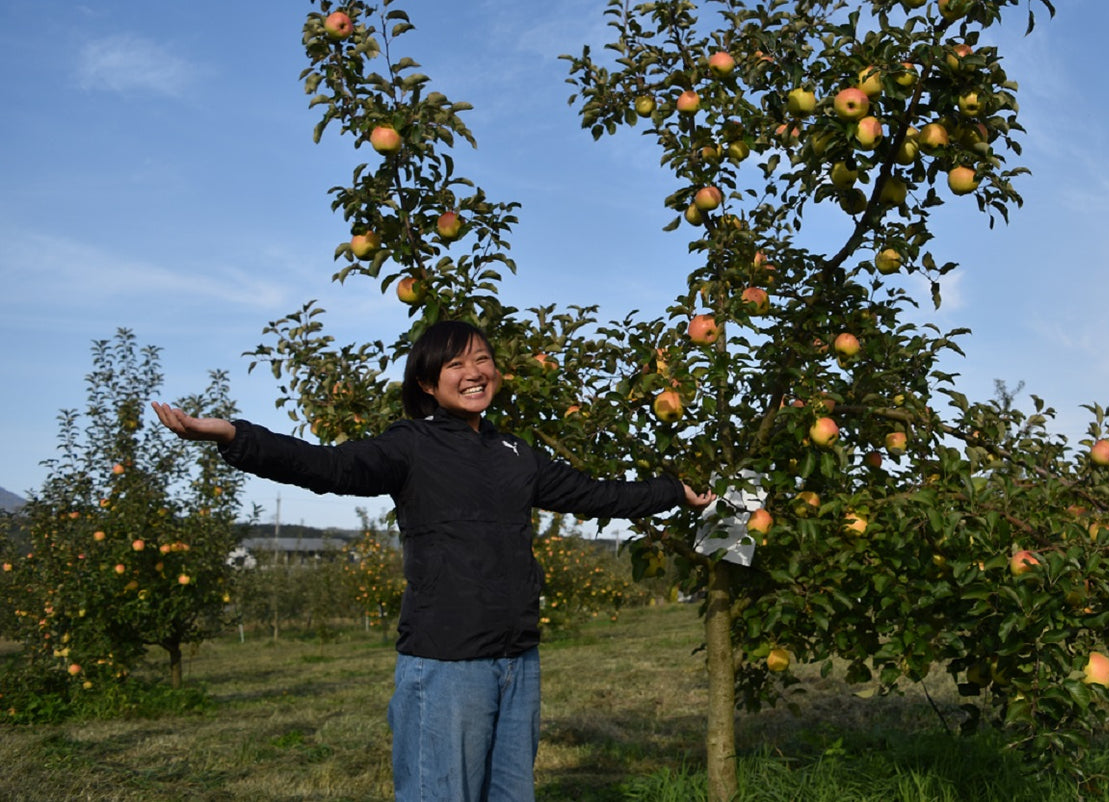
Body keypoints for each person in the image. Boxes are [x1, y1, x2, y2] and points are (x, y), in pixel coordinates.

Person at [153, 319, 714, 802]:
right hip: (447, 663)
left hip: (518, 659)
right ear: (427, 382)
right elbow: (327, 468)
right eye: (455, 364)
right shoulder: (410, 445)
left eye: (483, 360)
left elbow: (598, 495)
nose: (474, 373)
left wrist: (673, 491)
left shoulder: (515, 453)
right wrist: (233, 435)